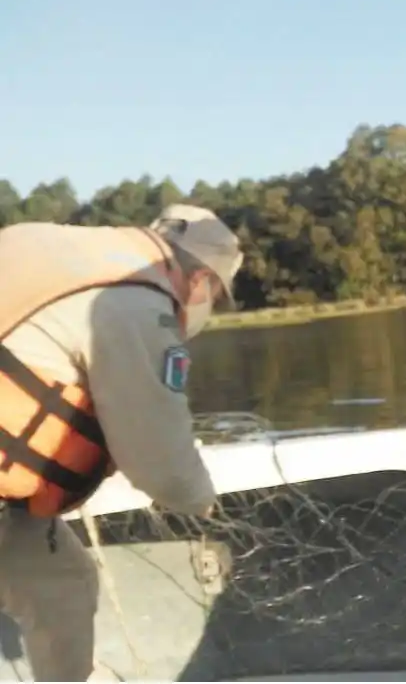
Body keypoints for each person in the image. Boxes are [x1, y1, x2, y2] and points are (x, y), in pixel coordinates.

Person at [0, 203, 243, 682]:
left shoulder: (56, 245)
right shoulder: (138, 301)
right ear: (201, 282)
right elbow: (163, 469)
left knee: (62, 586)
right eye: (215, 298)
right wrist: (205, 504)